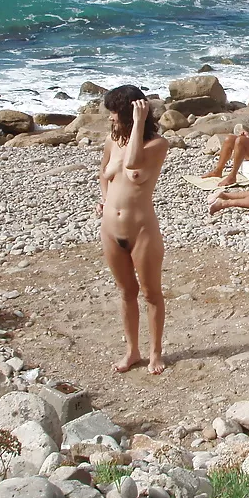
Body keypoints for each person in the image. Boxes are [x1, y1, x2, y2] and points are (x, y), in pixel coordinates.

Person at [98, 85, 170, 375]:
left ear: (131, 115)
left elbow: (132, 163)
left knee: (151, 293)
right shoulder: (112, 140)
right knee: (126, 291)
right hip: (110, 228)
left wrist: (139, 124)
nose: (111, 119)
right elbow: (103, 171)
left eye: (116, 114)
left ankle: (155, 352)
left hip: (142, 230)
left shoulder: (157, 145)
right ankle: (132, 351)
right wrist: (104, 200)